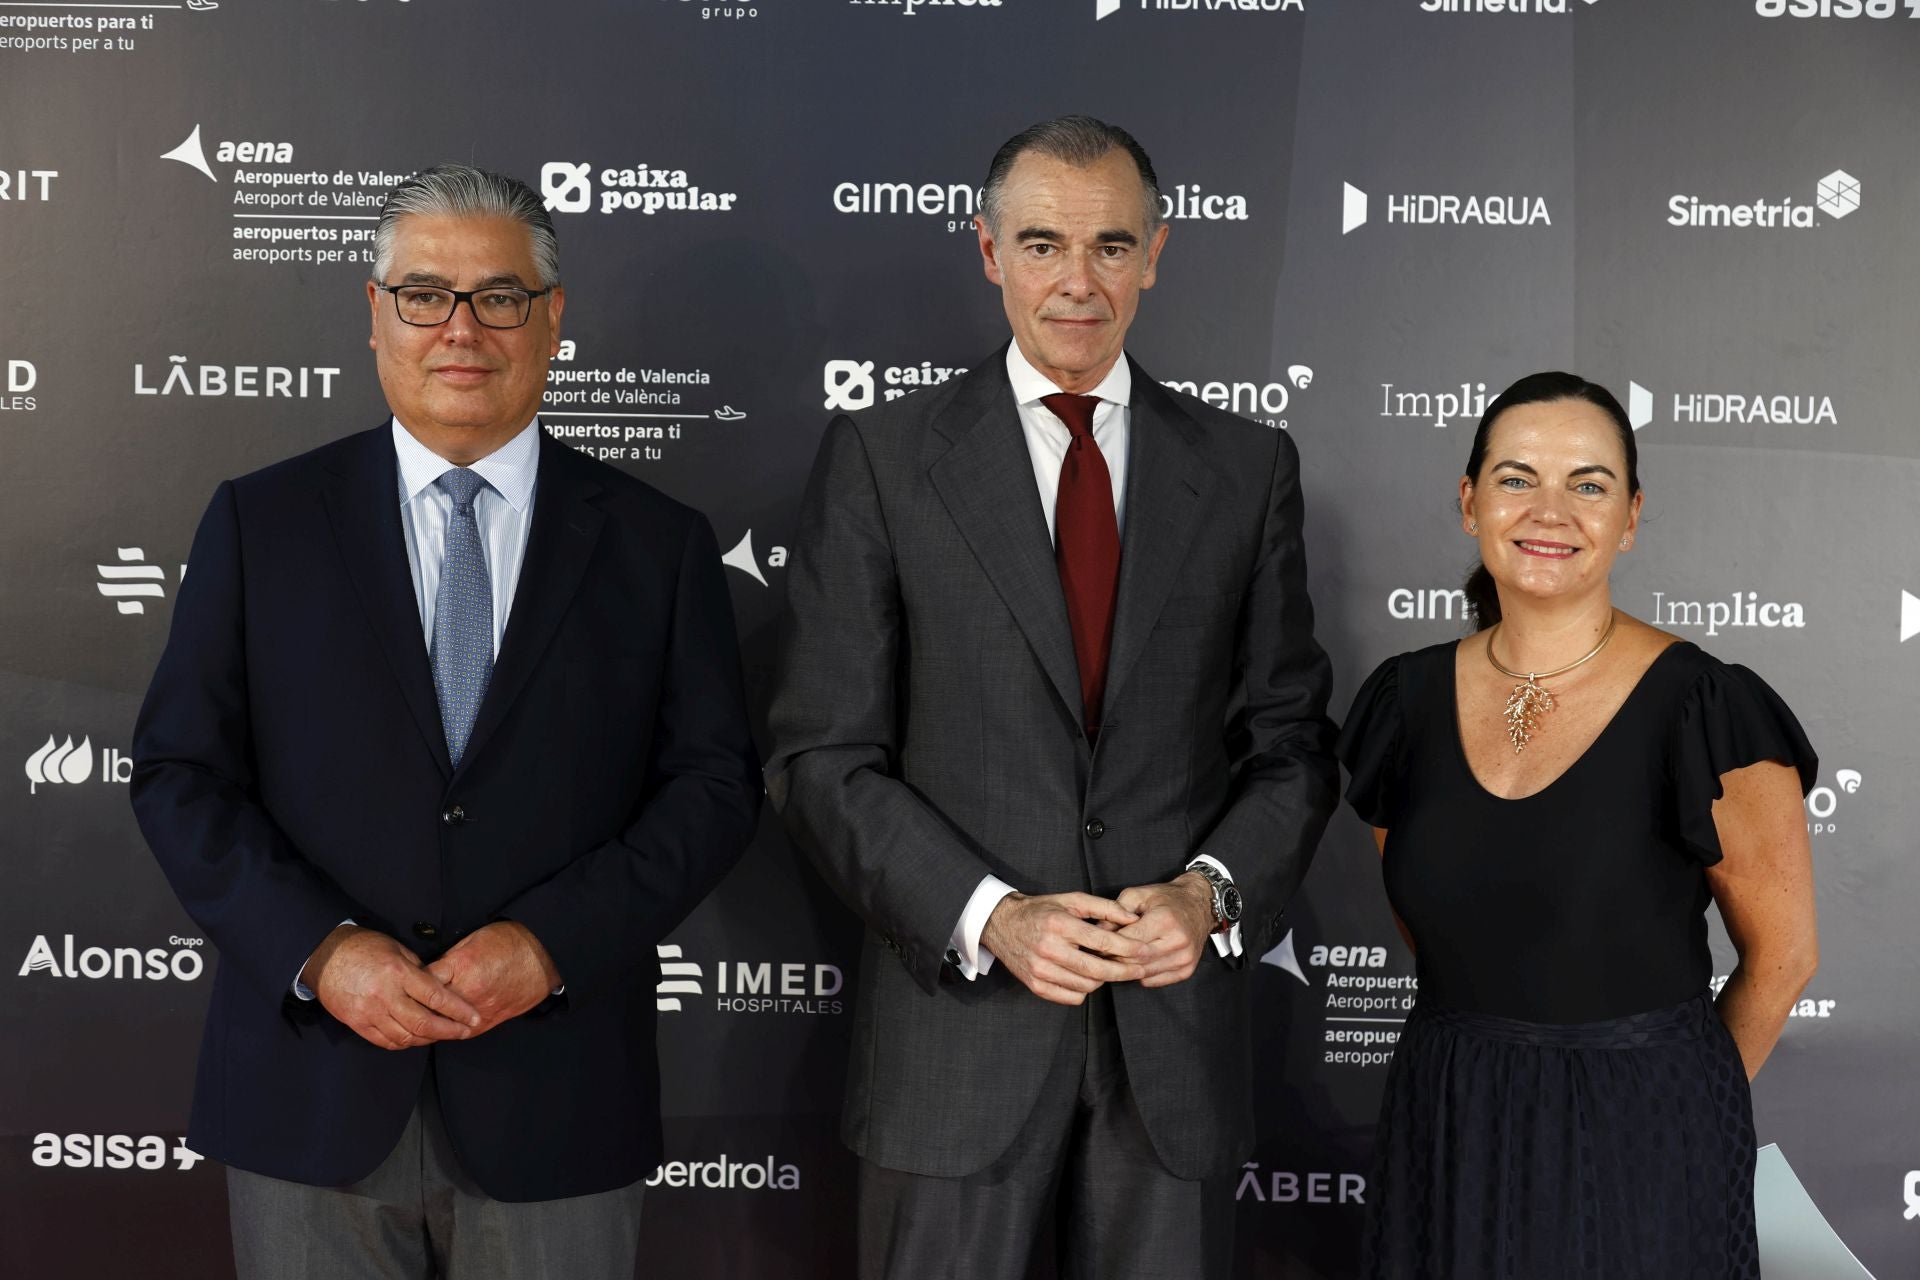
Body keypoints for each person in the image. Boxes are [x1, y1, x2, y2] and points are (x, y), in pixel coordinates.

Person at [130, 164, 761, 1279]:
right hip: (309, 1095)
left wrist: (554, 942)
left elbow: (713, 788)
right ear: (377, 316)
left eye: (500, 296)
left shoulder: (658, 545)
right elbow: (182, 773)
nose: (461, 328)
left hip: (558, 1100)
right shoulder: (262, 521)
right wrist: (321, 952)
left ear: (552, 320)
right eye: (425, 294)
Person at [765, 115, 1339, 1279]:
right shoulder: (882, 457)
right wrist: (992, 913)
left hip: (1168, 1059)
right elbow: (821, 755)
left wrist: (1208, 894)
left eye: (1112, 247)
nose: (1078, 282)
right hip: (952, 1052)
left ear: (1158, 253)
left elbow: (1291, 746)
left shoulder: (1245, 467)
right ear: (987, 250)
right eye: (1041, 245)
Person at [1337, 371, 1819, 1279]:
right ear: (1469, 500)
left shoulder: (1706, 707)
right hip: (1450, 1116)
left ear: (1630, 517)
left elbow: (1784, 960)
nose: (1549, 510)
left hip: (1648, 1134)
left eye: (1588, 484)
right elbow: (1434, 927)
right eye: (1517, 478)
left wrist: (1672, 1108)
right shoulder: (1402, 703)